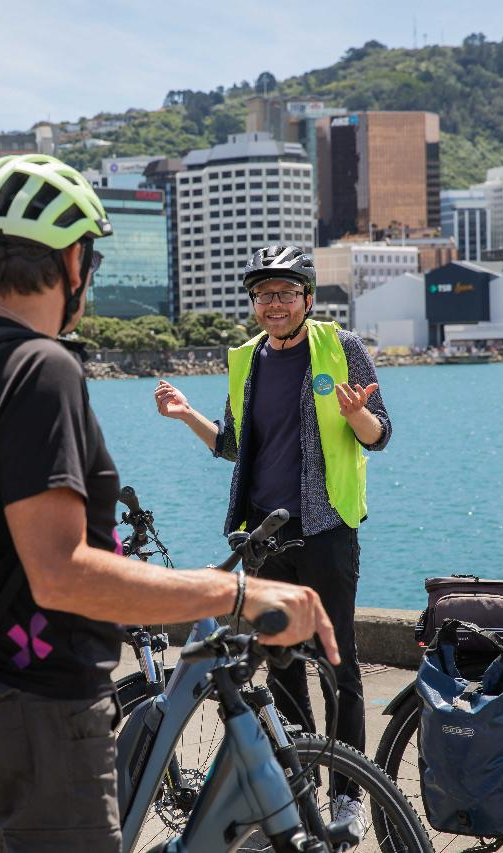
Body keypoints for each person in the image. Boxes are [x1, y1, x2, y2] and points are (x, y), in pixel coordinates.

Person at [0, 154, 337, 853]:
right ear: (73, 259)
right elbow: (61, 572)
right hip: (35, 708)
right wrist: (232, 592)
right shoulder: (38, 365)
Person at [154, 244, 392, 829]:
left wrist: (357, 413)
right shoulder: (246, 360)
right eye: (263, 295)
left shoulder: (341, 348)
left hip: (327, 528)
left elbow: (379, 434)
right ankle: (298, 781)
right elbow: (234, 445)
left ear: (308, 297)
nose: (274, 304)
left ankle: (349, 795)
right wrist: (187, 414)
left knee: (339, 664)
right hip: (263, 535)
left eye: (285, 293)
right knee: (282, 662)